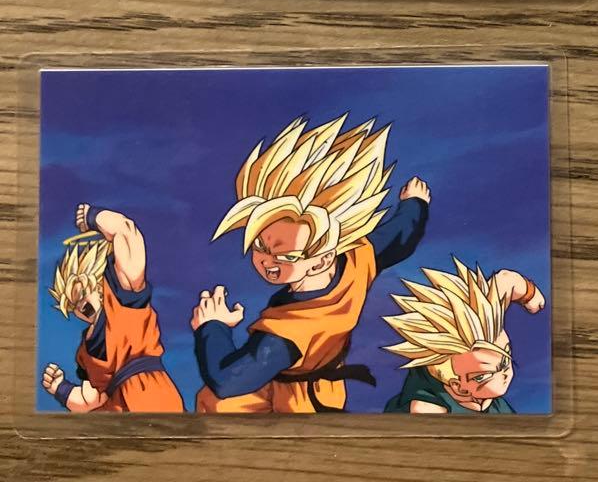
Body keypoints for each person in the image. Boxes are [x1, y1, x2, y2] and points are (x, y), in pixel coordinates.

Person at [192, 114, 430, 413]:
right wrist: (414, 204)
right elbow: (398, 238)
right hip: (298, 387)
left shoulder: (292, 330)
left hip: (299, 405)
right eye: (260, 246)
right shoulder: (355, 259)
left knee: (217, 403)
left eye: (287, 256)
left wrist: (212, 327)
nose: (267, 261)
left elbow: (228, 381)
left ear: (323, 259)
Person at [41, 204, 184, 413]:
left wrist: (93, 217)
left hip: (151, 398)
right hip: (115, 415)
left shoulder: (124, 302)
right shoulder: (85, 353)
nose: (81, 307)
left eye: (84, 293)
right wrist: (62, 390)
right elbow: (92, 400)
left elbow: (126, 232)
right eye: (74, 305)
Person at [382, 259, 544, 414]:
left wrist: (530, 294)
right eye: (485, 375)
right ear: (458, 387)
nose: (505, 373)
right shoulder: (428, 408)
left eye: (505, 359)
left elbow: (506, 281)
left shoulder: (484, 323)